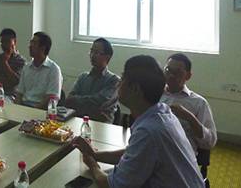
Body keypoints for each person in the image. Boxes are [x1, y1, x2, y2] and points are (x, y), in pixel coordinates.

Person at [73, 55, 205, 188]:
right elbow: (133, 153)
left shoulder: (148, 131)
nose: (118, 84)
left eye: (122, 80)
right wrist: (95, 155)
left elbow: (112, 185)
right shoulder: (163, 112)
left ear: (135, 89)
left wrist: (92, 164)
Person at [160, 53, 217, 154]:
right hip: (153, 151)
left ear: (188, 76)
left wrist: (190, 118)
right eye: (168, 70)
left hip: (181, 156)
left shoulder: (199, 103)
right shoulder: (155, 94)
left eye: (178, 72)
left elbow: (210, 142)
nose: (171, 75)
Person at [65, 38, 120, 123]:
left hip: (101, 125)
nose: (92, 55)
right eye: (91, 51)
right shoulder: (83, 77)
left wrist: (77, 100)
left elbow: (100, 104)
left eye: (97, 52)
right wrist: (90, 102)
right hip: (79, 122)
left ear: (107, 57)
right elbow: (69, 100)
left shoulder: (114, 80)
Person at [14, 32, 62, 109]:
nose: (30, 46)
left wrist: (33, 111)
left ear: (43, 48)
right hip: (24, 107)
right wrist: (17, 109)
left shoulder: (54, 70)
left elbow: (51, 98)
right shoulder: (26, 67)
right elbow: (19, 94)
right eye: (31, 42)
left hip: (41, 110)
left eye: (34, 43)